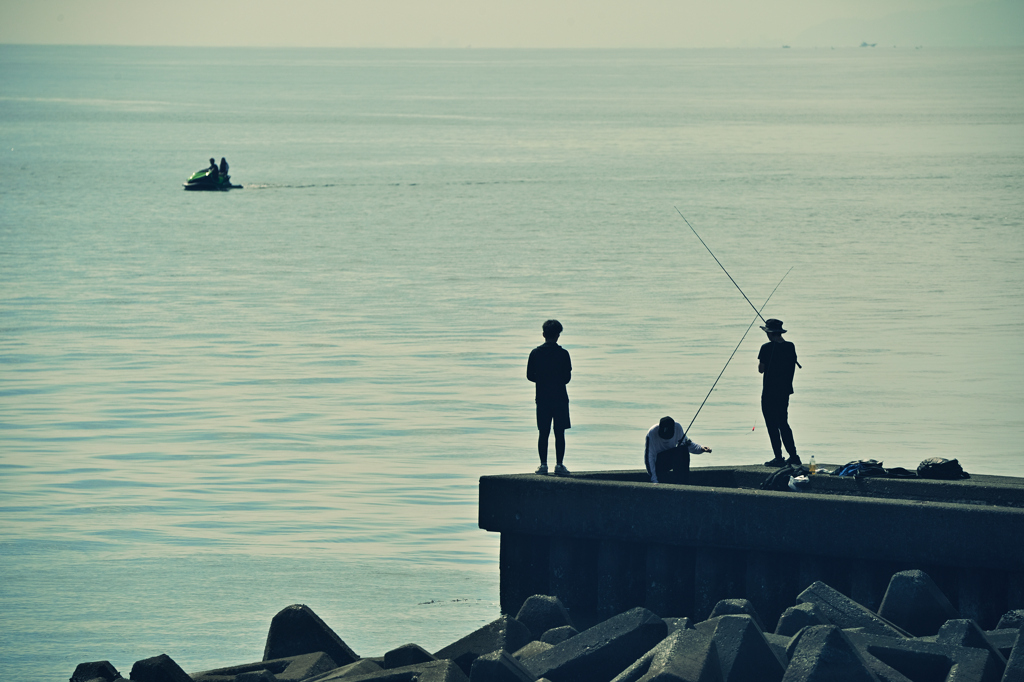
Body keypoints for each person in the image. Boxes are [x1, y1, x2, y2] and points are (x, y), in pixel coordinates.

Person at [527, 319, 572, 476]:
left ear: (543, 334)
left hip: (542, 398)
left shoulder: (535, 353)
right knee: (560, 432)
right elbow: (567, 378)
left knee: (543, 432)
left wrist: (542, 380)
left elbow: (529, 376)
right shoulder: (563, 354)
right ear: (558, 335)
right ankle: (559, 465)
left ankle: (543, 464)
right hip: (560, 398)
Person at [758, 318, 800, 467]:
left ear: (769, 333)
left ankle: (778, 457)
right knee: (783, 423)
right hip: (784, 392)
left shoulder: (766, 348)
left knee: (772, 425)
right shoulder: (790, 347)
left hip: (769, 392)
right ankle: (794, 456)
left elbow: (761, 369)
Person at [645, 416, 711, 484]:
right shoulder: (652, 433)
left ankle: (682, 482)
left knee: (682, 450)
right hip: (658, 463)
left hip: (670, 459)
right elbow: (649, 457)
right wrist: (654, 480)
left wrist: (701, 448)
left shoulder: (677, 427)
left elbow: (687, 444)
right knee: (677, 452)